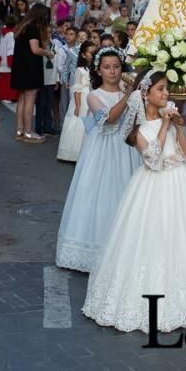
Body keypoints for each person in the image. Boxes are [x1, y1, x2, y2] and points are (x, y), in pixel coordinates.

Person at [82, 70, 186, 332]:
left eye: (166, 90)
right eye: (160, 89)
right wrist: (164, 125)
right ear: (146, 94)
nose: (166, 94)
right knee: (153, 236)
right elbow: (153, 159)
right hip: (154, 185)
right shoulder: (140, 129)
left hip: (180, 184)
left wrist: (180, 128)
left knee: (179, 238)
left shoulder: (173, 121)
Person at [55, 47, 139, 272]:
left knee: (125, 196)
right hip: (102, 152)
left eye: (116, 67)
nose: (112, 71)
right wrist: (130, 95)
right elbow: (109, 119)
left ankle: (123, 251)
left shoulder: (128, 93)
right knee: (99, 196)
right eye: (107, 67)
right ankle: (93, 250)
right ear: (99, 71)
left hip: (127, 151)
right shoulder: (94, 95)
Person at [11, 5, 53, 143]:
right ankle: (29, 132)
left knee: (22, 99)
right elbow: (35, 49)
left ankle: (20, 130)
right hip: (30, 67)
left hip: (20, 66)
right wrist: (48, 53)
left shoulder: (23, 26)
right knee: (30, 99)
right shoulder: (34, 28)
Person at [56, 41, 94, 163]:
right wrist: (77, 105)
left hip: (91, 97)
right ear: (83, 55)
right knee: (78, 122)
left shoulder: (93, 69)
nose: (93, 55)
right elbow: (77, 88)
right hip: (82, 99)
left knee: (88, 123)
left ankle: (86, 152)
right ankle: (73, 152)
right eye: (90, 53)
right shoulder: (80, 70)